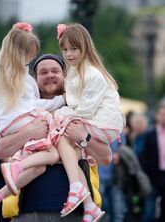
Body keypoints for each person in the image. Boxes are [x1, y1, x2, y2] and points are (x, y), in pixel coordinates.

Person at [0, 54, 112, 222]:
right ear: (35, 80)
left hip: (76, 214)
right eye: (43, 72)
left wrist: (83, 137)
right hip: (28, 211)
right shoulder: (23, 113)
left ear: (65, 75)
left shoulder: (82, 110)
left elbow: (106, 157)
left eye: (55, 71)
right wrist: (30, 132)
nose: (50, 75)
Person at [0, 22, 67, 222]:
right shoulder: (19, 76)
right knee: (52, 152)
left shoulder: (8, 74)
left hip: (64, 207)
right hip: (32, 207)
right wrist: (61, 100)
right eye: (30, 54)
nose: (30, 58)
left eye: (55, 71)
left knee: (38, 165)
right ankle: (13, 172)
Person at [52, 23, 125, 221]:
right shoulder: (75, 72)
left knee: (62, 134)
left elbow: (85, 110)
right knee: (70, 152)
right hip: (93, 121)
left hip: (104, 123)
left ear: (85, 47)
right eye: (64, 49)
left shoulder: (92, 74)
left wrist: (62, 113)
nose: (68, 54)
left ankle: (76, 188)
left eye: (74, 49)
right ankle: (89, 205)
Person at [139, 99, 165, 222]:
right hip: (153, 176)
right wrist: (147, 174)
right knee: (149, 210)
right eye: (162, 114)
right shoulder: (150, 134)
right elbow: (144, 157)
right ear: (157, 116)